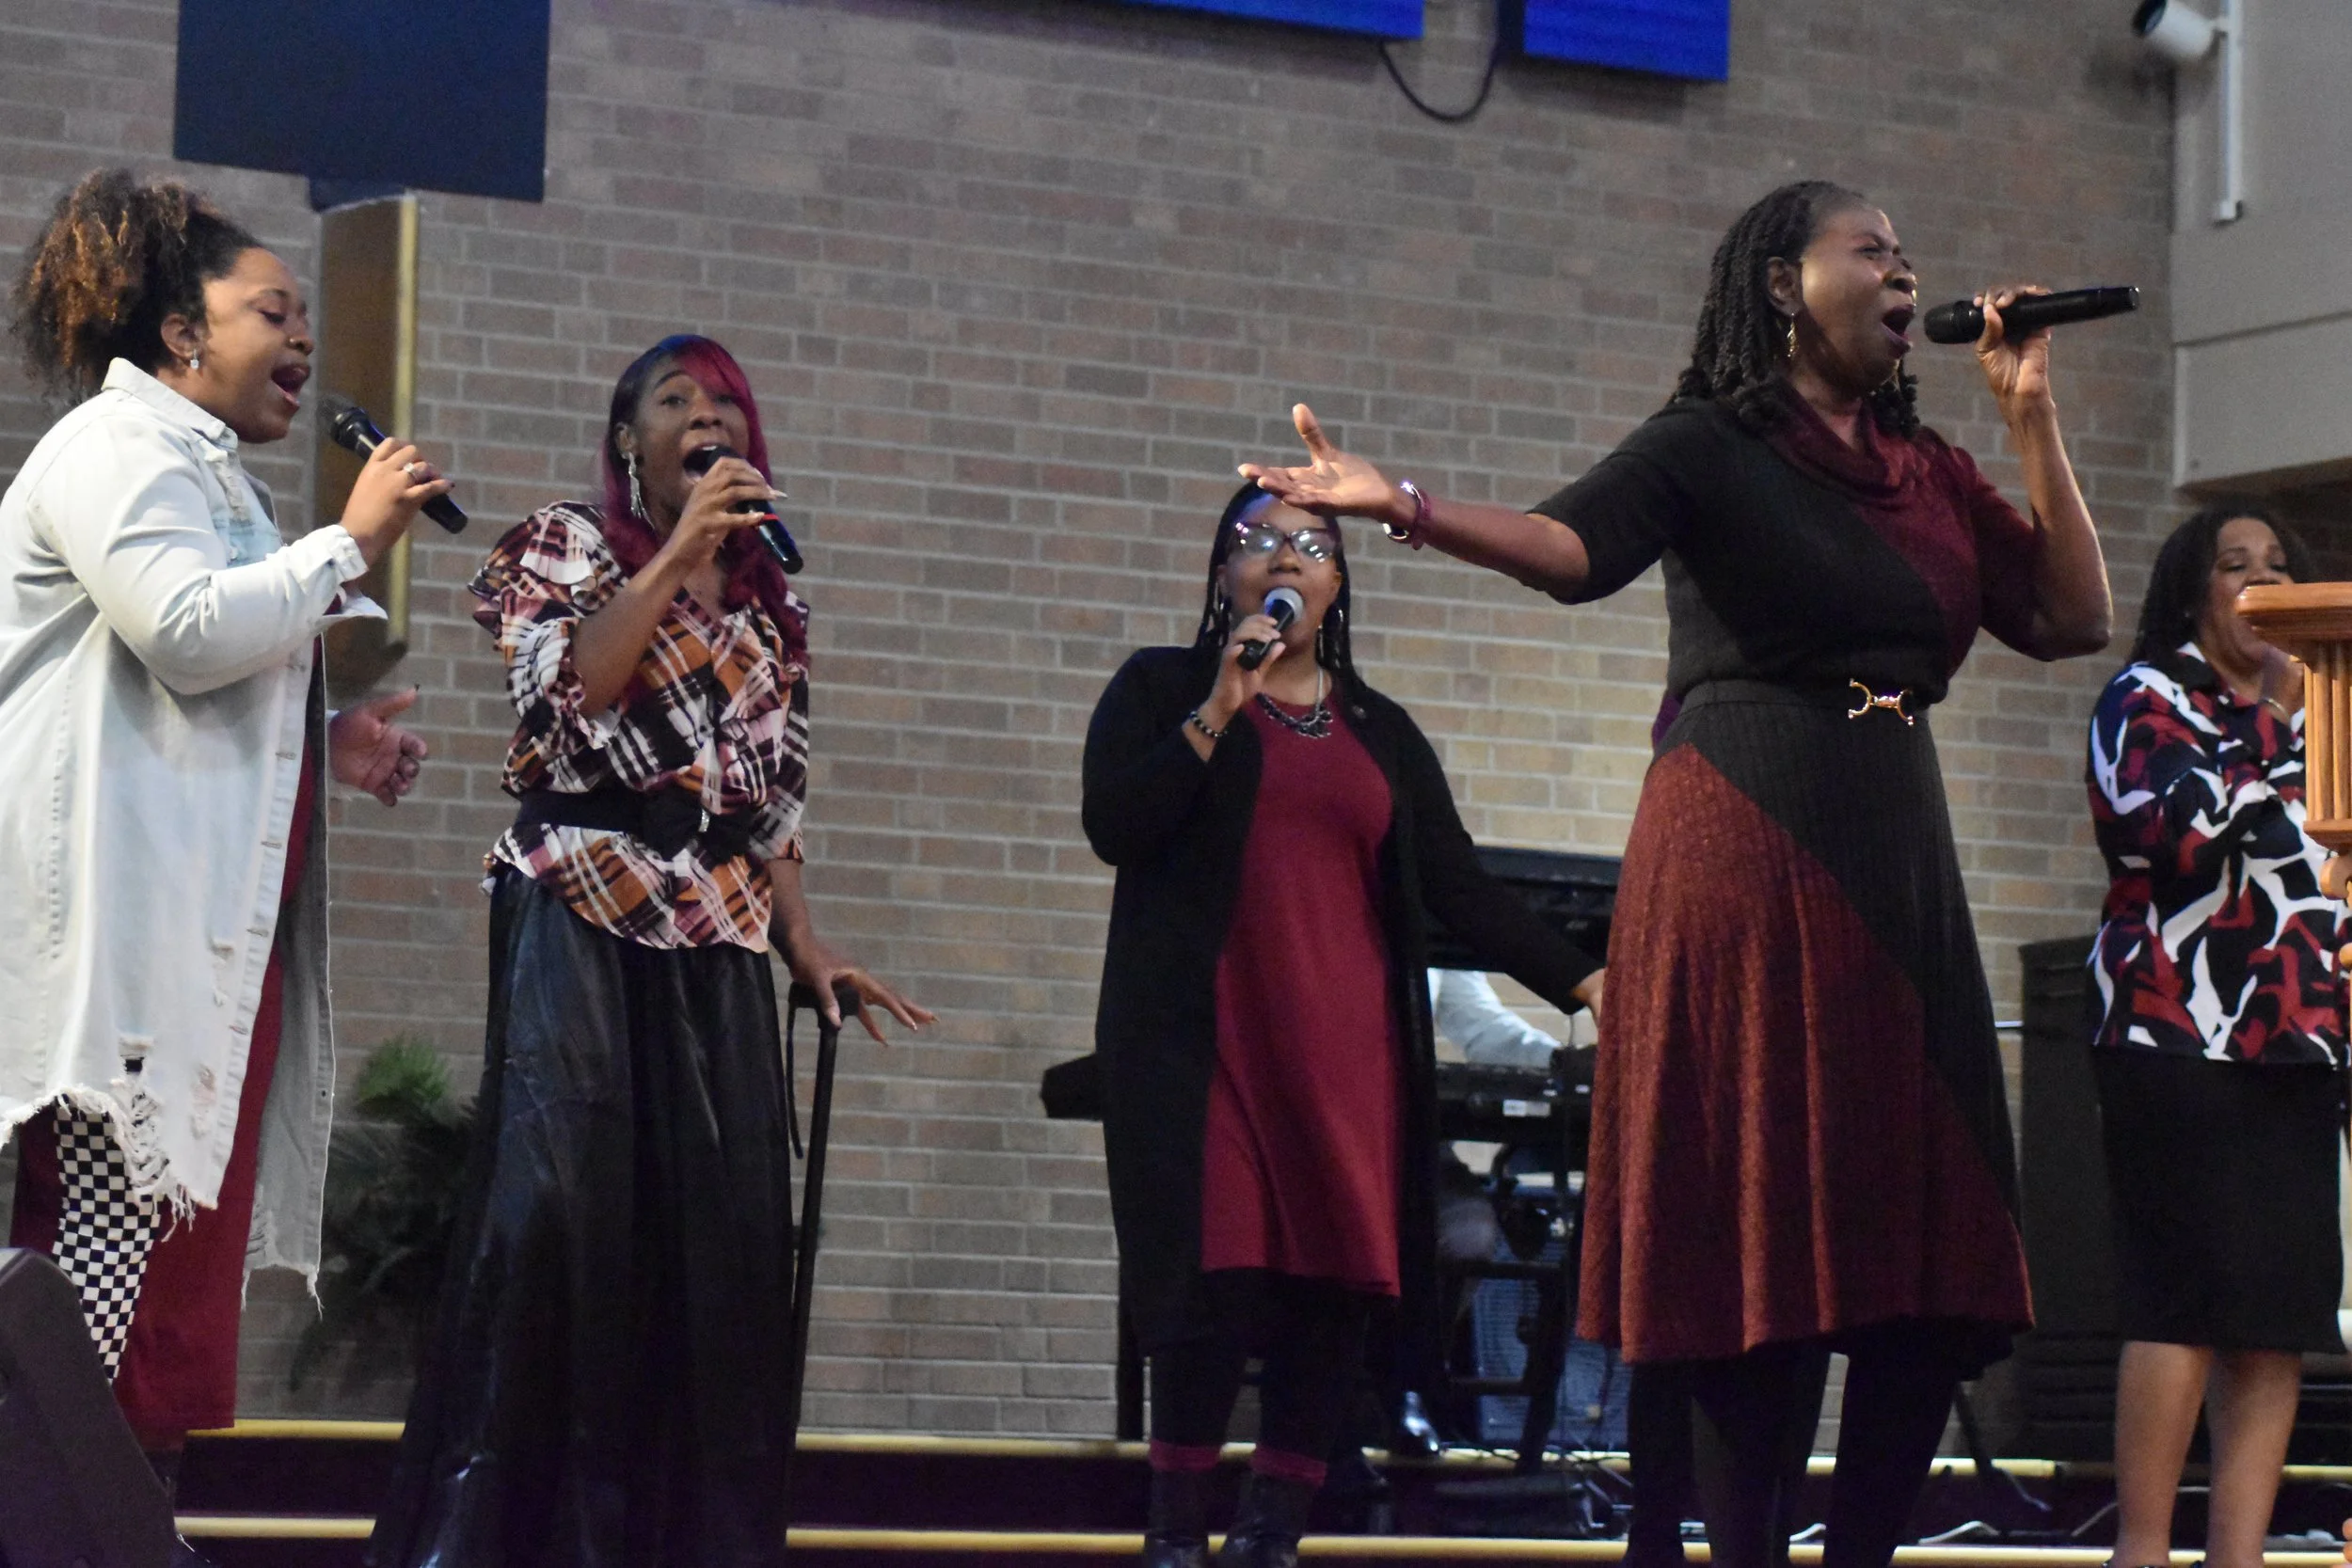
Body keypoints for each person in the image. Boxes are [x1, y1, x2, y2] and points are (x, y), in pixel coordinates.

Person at [1242, 179, 2114, 1568]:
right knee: (1750, 1245)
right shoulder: (1711, 443)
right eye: (1870, 253)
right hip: (1744, 836)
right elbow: (1570, 550)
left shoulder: (1935, 466)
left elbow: (2072, 615)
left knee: (1935, 1264)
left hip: (1899, 846)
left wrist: (2029, 416)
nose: (1903, 277)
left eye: (1910, 259)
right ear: (1781, 283)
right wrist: (1403, 502)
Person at [369, 334, 930, 1567]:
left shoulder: (775, 604)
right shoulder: (559, 544)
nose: (706, 415)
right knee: (560, 1225)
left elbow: (773, 798)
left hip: (715, 931)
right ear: (630, 441)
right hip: (579, 900)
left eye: (725, 402)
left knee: (710, 1245)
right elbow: (570, 692)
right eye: (676, 400)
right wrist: (676, 556)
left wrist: (807, 939)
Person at [0, 168, 446, 1500]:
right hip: (111, 946)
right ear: (182, 333)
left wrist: (324, 743)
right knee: (88, 1265)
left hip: (185, 952)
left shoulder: (216, 484)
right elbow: (186, 632)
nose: (302, 341)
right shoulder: (111, 447)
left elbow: (200, 669)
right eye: (274, 310)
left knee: (157, 1285)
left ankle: (104, 1511)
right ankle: (52, 1514)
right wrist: (349, 542)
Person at [1084, 482, 1603, 1568]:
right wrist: (1221, 703)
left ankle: (1270, 1539)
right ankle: (1175, 1539)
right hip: (1209, 1043)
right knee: (1207, 1288)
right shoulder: (1161, 687)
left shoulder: (1380, 731)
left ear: (1337, 581)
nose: (1285, 559)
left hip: (1345, 1051)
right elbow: (1117, 822)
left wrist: (1585, 979)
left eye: (1311, 545)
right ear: (1224, 572)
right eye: (1259, 543)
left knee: (1332, 1289)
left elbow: (1459, 885)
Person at [2086, 506, 2345, 1568]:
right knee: (2183, 1297)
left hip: (2297, 1038)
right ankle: (2141, 1550)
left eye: (2278, 566)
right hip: (2171, 1030)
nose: (2259, 582)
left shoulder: (2324, 721)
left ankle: (2235, 1556)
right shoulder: (2144, 698)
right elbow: (2180, 833)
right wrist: (2275, 719)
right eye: (2233, 565)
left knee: (2273, 1312)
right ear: (2192, 590)